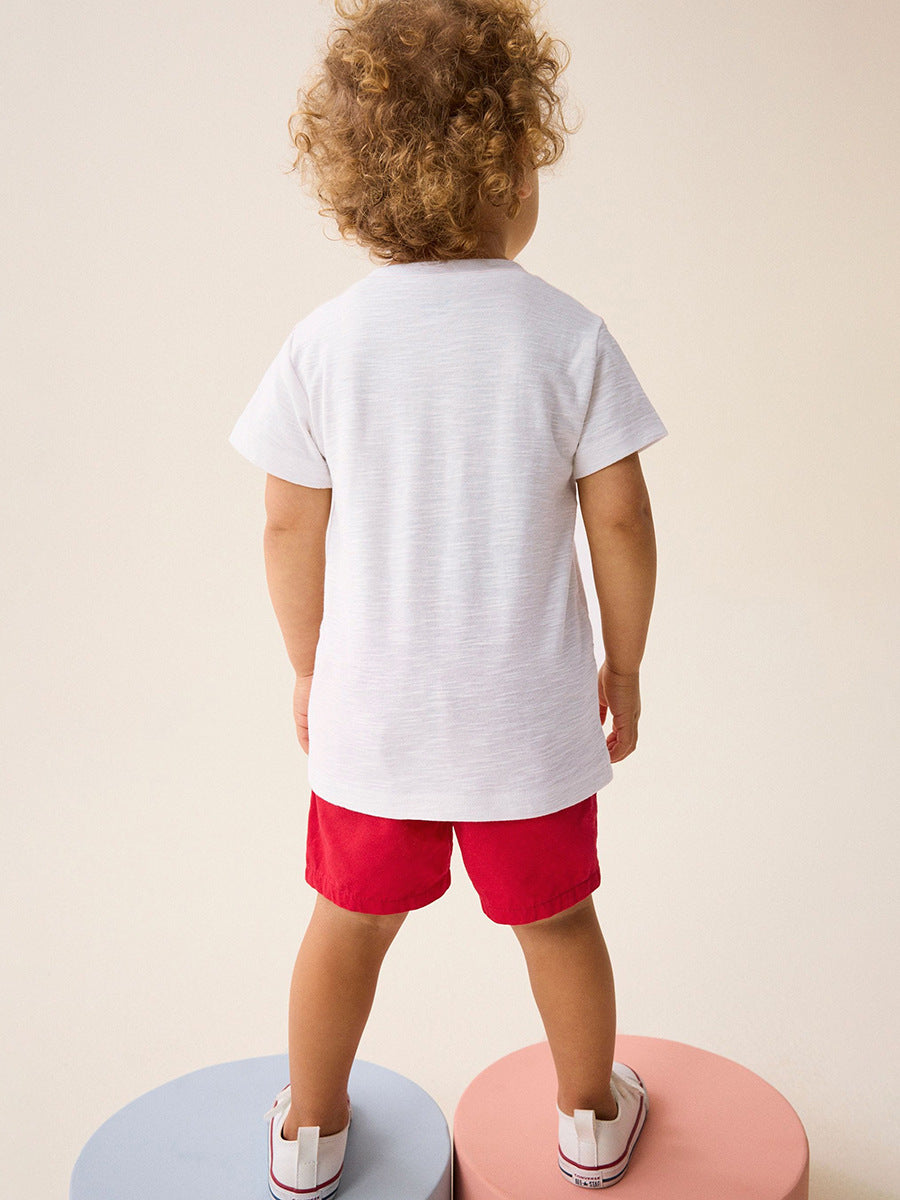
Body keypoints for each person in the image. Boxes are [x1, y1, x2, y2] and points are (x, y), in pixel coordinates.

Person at [229, 1, 668, 1194]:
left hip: (378, 720)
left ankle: (310, 1132)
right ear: (514, 165)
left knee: (348, 921)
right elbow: (622, 521)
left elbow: (285, 522)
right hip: (526, 722)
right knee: (557, 920)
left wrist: (312, 666)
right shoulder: (568, 338)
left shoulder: (325, 343)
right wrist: (625, 667)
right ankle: (589, 1119)